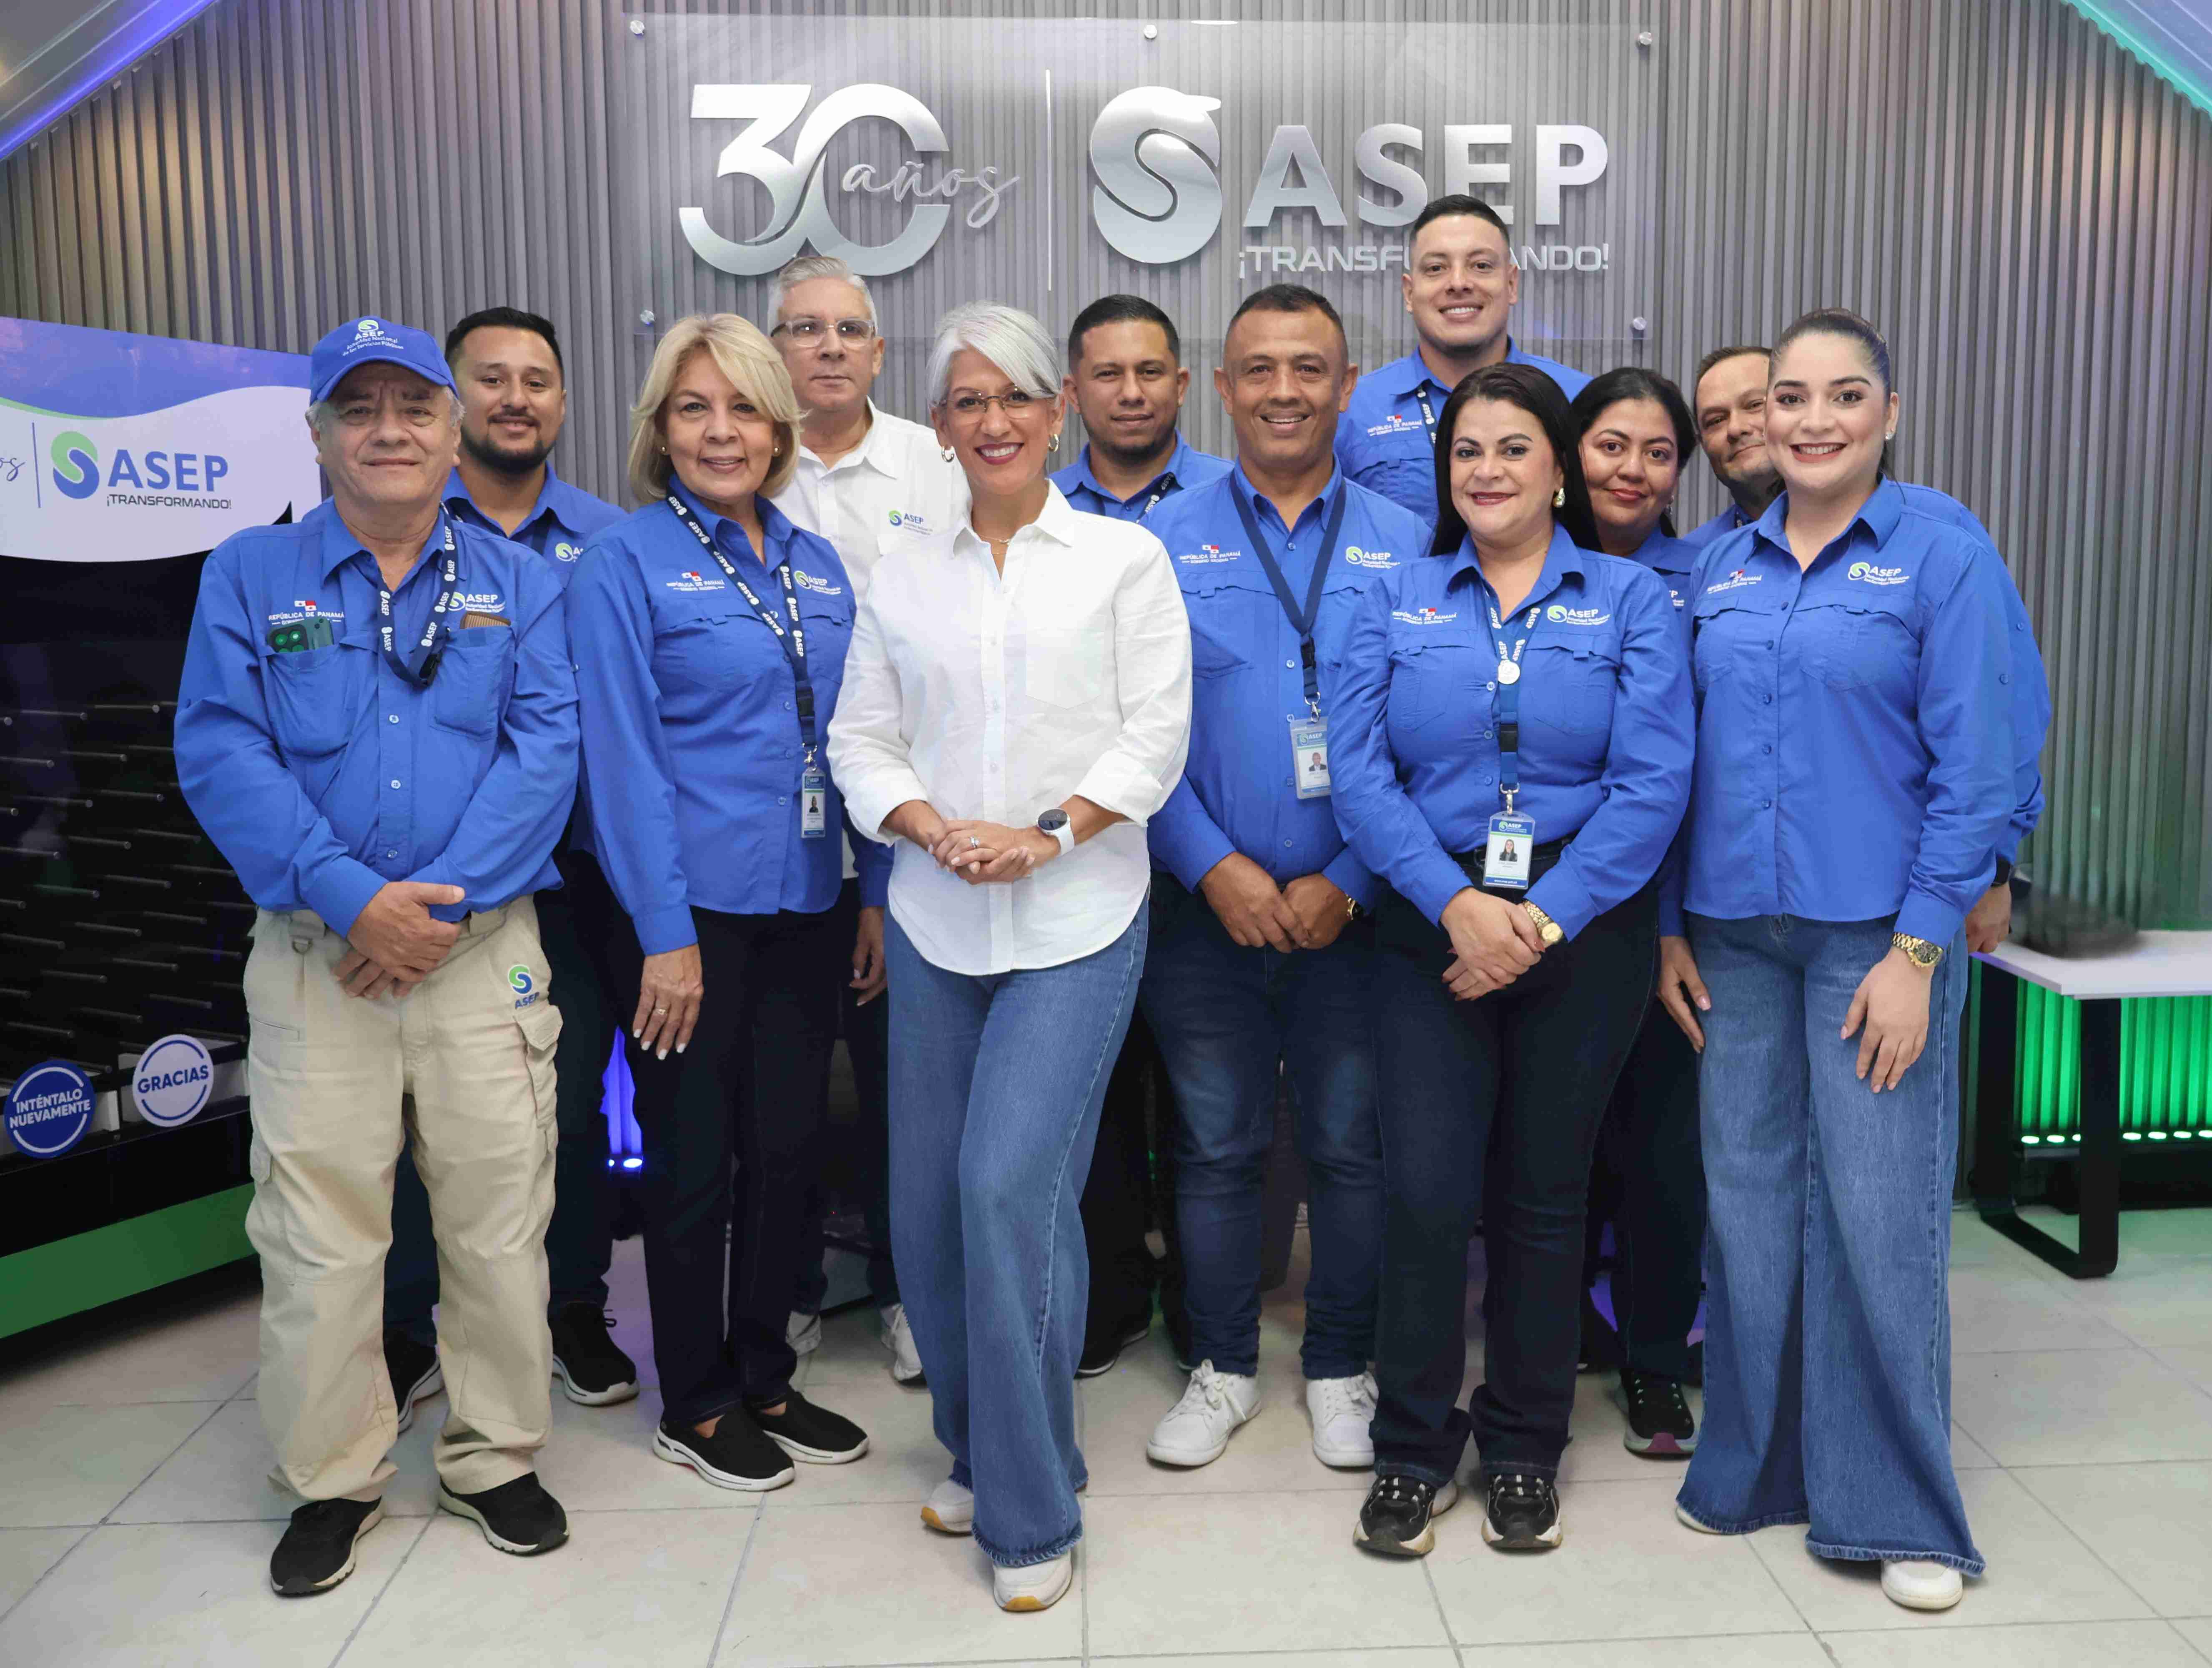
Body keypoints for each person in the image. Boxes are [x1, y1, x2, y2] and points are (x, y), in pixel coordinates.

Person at [176, 316, 578, 1594]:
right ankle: (333, 1478)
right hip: (318, 957)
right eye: (359, 410)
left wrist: (431, 912)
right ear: (317, 435)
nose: (388, 430)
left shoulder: (522, 582)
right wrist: (356, 901)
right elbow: (219, 747)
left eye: (414, 406)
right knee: (320, 1234)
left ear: (454, 431)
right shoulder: (251, 573)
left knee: (498, 1221)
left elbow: (547, 751)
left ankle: (493, 1458)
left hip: (480, 955)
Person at [826, 302, 1192, 1613]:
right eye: (968, 401)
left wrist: (1050, 833)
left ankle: (1033, 1515)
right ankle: (982, 1449)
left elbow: (1155, 733)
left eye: (1018, 396)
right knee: (928, 1210)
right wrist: (925, 827)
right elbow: (861, 737)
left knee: (1004, 1190)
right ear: (940, 426)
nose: (994, 421)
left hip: (1075, 921)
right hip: (937, 920)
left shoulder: (1121, 561)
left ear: (1058, 412)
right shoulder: (903, 571)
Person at [1658, 309, 2021, 1614]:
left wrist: (1918, 949)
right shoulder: (1717, 566)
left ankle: (1895, 1507)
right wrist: (1665, 926)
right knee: (1748, 1208)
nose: (1811, 420)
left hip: (1877, 938)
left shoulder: (1941, 552)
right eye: (1790, 397)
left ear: (1888, 413)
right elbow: (1670, 761)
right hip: (1732, 939)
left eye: (1843, 395)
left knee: (1877, 1209)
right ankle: (1755, 1467)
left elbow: (1983, 765)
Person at [1327, 362, 1692, 1558]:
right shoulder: (1393, 598)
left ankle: (1527, 1442)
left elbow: (1654, 784)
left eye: (1514, 448)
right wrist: (1455, 906)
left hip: (1584, 925)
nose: (1487, 470)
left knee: (1545, 1195)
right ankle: (1413, 1448)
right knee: (1428, 1192)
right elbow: (1360, 774)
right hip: (1426, 921)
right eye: (1467, 451)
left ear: (1561, 471)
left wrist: (1538, 921)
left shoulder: (1632, 601)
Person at [565, 314, 878, 1496]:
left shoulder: (816, 564)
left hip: (807, 896)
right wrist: (664, 937)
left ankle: (767, 1377)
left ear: (779, 427)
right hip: (683, 915)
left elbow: (855, 736)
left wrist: (868, 891)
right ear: (659, 430)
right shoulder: (623, 563)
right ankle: (693, 1398)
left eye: (744, 407)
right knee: (694, 1157)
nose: (721, 431)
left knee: (789, 1149)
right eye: (694, 409)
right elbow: (622, 761)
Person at [1139, 284, 1429, 1474]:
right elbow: (1130, 732)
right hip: (1204, 910)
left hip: (1358, 916)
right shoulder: (1159, 542)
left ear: (1347, 385)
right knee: (1215, 1147)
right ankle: (1222, 1366)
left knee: (1353, 1148)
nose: (1283, 390)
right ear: (1223, 386)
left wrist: (1352, 877)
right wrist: (1211, 866)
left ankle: (1340, 1366)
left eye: (1309, 368)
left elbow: (1430, 739)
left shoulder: (1411, 540)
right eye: (1258, 368)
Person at [381, 306, 633, 1432]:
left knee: (564, 1104)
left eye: (538, 380)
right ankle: (408, 1322)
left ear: (564, 403)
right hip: (408, 880)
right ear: (450, 404)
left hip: (569, 879)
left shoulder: (610, 541)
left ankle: (572, 1305)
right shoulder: (393, 527)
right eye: (492, 379)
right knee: (404, 1109)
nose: (517, 399)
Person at [765, 254, 965, 1384]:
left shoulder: (935, 465)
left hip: (911, 836)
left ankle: (907, 1293)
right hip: (774, 840)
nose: (830, 347)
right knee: (782, 1093)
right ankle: (789, 1292)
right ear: (775, 349)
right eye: (806, 329)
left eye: (849, 330)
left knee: (909, 1097)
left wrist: (893, 869)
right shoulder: (742, 463)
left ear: (880, 353)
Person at [1051, 293, 1231, 1375]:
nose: (1130, 392)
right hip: (1079, 851)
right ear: (1073, 391)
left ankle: (1207, 1301)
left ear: (1183, 383)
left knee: (1206, 1099)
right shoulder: (1032, 507)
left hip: (1208, 858)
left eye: (1150, 371)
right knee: (1099, 1093)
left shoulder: (1231, 499)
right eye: (1108, 374)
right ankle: (1111, 1289)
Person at [1566, 367, 1706, 1454]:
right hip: (1544, 906)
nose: (1632, 470)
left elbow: (1681, 772)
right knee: (1551, 1145)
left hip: (1670, 912)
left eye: (1658, 453)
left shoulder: (1706, 578)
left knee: (1664, 1150)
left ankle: (1656, 1359)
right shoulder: (1526, 564)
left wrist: (1667, 920)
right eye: (1611, 445)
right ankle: (1565, 1337)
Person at [1337, 195, 1592, 525]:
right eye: (1436, 268)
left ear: (1511, 284)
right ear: (1409, 293)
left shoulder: (1578, 400)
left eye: (1481, 266)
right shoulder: (1353, 409)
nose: (1458, 283)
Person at [1682, 345, 1785, 550]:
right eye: (1716, 420)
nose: (1735, 429)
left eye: (1755, 405)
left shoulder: (1853, 531)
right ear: (1702, 444)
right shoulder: (1694, 559)